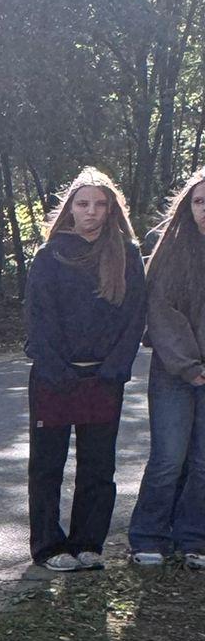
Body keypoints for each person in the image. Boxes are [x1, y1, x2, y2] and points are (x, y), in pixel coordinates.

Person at [23, 166, 146, 572]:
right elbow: (38, 320)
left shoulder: (126, 255)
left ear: (111, 210)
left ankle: (88, 542)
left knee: (98, 466)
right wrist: (56, 370)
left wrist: (115, 368)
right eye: (83, 203)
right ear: (70, 209)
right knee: (47, 466)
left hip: (103, 378)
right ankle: (48, 546)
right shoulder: (49, 256)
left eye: (100, 204)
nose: (91, 211)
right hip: (54, 378)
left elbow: (134, 318)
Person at [129, 170, 205, 567]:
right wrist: (189, 366)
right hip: (174, 373)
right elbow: (161, 314)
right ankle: (149, 536)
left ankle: (193, 537)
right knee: (168, 459)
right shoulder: (170, 252)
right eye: (199, 201)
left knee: (203, 463)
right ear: (187, 207)